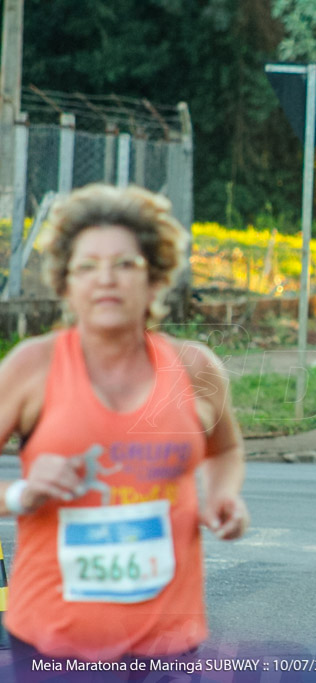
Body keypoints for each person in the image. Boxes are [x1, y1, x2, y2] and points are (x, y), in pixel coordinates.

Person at [0, 184, 249, 668]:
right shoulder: (31, 367)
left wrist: (223, 496)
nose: (105, 280)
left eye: (125, 264)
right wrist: (20, 494)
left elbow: (225, 451)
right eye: (86, 267)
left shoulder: (196, 369)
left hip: (169, 644)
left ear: (155, 279)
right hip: (56, 643)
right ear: (66, 284)